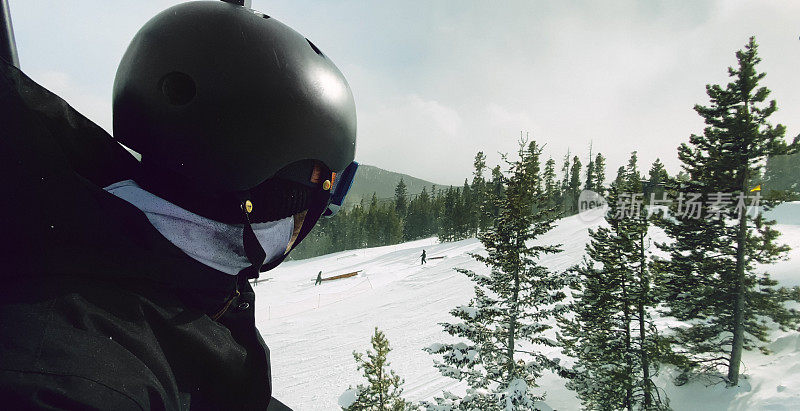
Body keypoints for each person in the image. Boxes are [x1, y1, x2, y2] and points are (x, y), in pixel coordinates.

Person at [0, 1, 357, 409]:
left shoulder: (161, 267)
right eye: (323, 188)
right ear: (264, 187)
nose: (314, 218)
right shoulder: (78, 384)